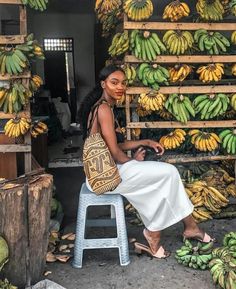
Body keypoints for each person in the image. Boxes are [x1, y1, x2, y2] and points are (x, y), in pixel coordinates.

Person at [78, 64, 214, 259]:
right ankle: (158, 232)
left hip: (106, 173)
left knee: (166, 178)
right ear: (103, 84)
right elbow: (116, 153)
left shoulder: (102, 107)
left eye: (123, 83)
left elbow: (115, 144)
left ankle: (186, 227)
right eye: (114, 82)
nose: (120, 87)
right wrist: (135, 164)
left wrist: (145, 142)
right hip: (105, 178)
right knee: (168, 173)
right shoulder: (104, 109)